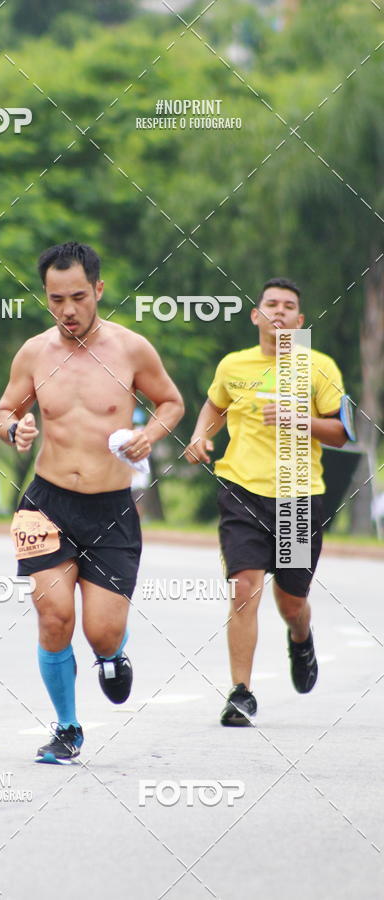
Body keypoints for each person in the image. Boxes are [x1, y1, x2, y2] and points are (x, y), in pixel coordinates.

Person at [0, 241, 184, 764]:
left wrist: (152, 434)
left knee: (101, 631)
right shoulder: (34, 353)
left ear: (99, 289)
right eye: (56, 299)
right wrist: (15, 428)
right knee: (53, 617)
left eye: (78, 296)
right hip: (45, 503)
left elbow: (171, 401)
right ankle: (67, 727)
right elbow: (3, 410)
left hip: (111, 508)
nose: (68, 310)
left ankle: (112, 653)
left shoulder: (131, 350)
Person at [184, 277, 348, 726]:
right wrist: (201, 435)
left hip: (298, 497)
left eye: (288, 306)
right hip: (242, 491)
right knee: (243, 591)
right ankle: (240, 693)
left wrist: (301, 419)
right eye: (270, 304)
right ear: (256, 316)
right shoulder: (233, 365)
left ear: (299, 321)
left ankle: (300, 636)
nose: (278, 312)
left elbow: (341, 432)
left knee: (290, 600)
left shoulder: (317, 367)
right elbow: (215, 406)